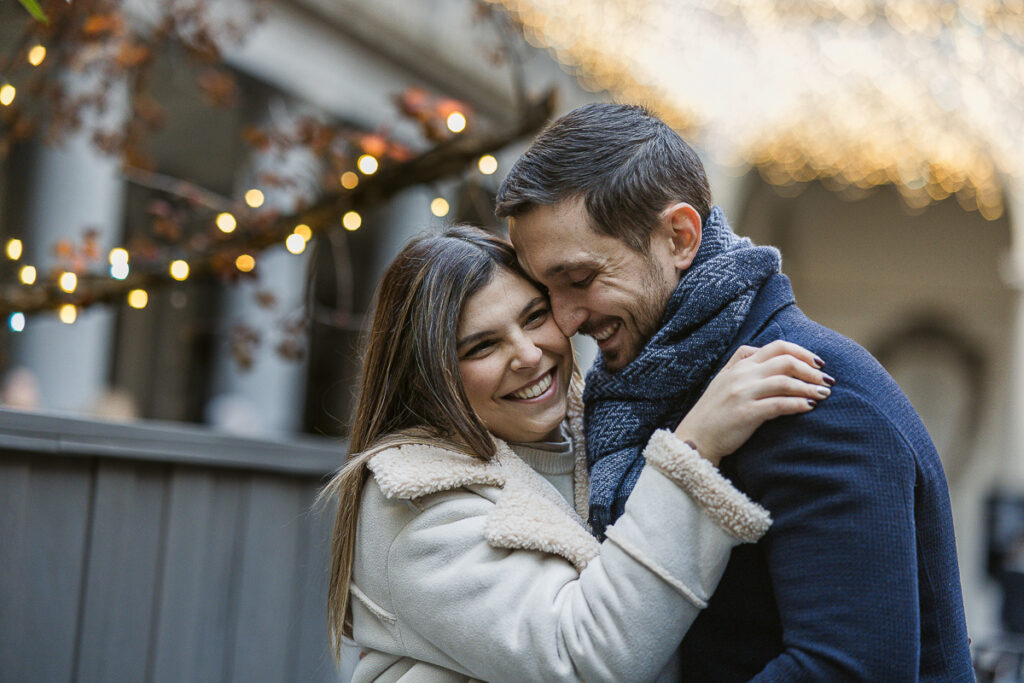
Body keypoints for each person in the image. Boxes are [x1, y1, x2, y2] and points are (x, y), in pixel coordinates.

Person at [495, 102, 974, 681]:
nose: (566, 320)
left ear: (679, 237)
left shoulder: (814, 395)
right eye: (548, 293)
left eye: (581, 280)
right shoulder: (651, 389)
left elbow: (846, 671)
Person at [324, 226, 833, 682]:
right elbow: (585, 660)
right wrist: (694, 450)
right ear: (427, 379)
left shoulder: (604, 436)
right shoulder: (413, 499)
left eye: (535, 316)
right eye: (481, 347)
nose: (527, 355)